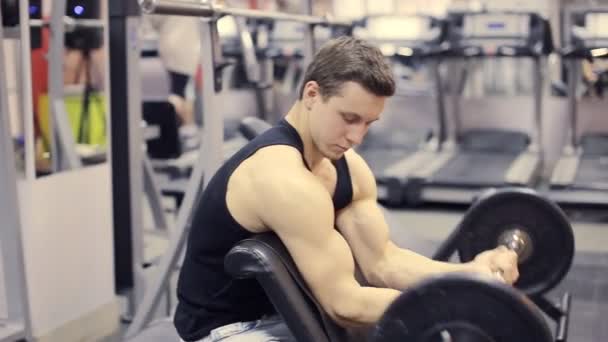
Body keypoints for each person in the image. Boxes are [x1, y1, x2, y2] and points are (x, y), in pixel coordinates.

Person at [173, 36, 519, 342]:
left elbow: (383, 263)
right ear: (312, 94)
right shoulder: (282, 179)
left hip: (292, 315)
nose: (357, 137)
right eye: (349, 118)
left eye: (368, 123)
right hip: (229, 331)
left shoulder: (346, 166)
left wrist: (473, 274)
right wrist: (466, 299)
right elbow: (345, 305)